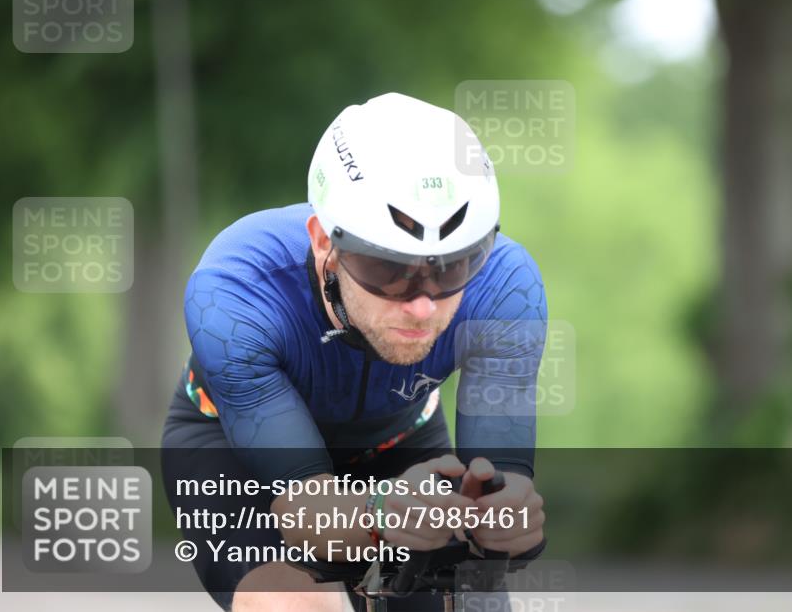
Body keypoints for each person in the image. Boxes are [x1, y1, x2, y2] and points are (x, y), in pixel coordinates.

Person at [161, 92, 548, 611]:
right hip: (234, 453)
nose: (422, 306)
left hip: (402, 439)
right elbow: (306, 509)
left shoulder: (506, 286)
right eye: (386, 269)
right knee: (293, 607)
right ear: (324, 242)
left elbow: (503, 492)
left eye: (453, 267)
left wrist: (507, 520)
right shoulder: (233, 291)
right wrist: (381, 518)